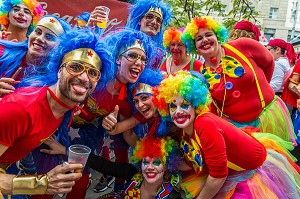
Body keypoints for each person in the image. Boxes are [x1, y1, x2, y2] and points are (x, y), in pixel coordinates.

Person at [0, 28, 114, 198]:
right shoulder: (20, 109)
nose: (84, 78)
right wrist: (41, 183)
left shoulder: (68, 108)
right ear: (59, 71)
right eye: (75, 67)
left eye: (92, 73)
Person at [153, 70, 300, 199]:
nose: (178, 111)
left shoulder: (204, 124)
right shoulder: (184, 128)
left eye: (184, 105)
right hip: (229, 170)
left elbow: (218, 176)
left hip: (251, 171)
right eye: (173, 106)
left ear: (196, 105)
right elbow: (195, 162)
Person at [180, 16, 297, 145]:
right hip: (237, 128)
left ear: (218, 37)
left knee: (273, 161)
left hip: (267, 119)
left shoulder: (243, 45)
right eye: (199, 39)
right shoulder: (201, 73)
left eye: (208, 34)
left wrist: (262, 89)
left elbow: (269, 62)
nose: (205, 40)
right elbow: (212, 105)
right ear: (195, 47)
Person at [71, 28, 156, 194]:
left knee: (79, 181)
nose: (139, 62)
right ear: (117, 59)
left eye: (143, 59)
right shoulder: (96, 75)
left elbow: (128, 135)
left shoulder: (128, 101)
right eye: (132, 56)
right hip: (61, 124)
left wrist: (150, 153)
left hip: (84, 133)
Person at [41, 134, 182, 199]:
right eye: (146, 162)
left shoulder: (172, 195)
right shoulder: (133, 174)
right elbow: (103, 165)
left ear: (166, 167)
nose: (150, 167)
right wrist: (63, 150)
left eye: (156, 163)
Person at [0, 15, 71, 97]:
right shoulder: (3, 52)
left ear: (60, 47)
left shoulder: (55, 83)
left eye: (49, 37)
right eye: (38, 32)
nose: (39, 38)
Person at [102, 68, 164, 140]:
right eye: (136, 101)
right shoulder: (141, 116)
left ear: (156, 95)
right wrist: (110, 124)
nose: (140, 105)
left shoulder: (171, 111)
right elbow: (116, 129)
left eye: (144, 98)